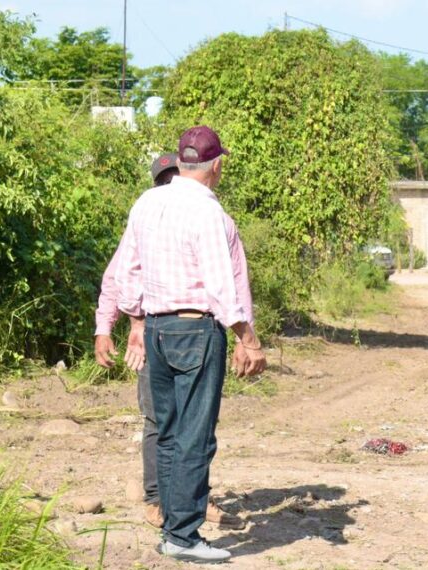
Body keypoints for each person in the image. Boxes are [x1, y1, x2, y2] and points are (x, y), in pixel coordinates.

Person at [115, 126, 266, 563]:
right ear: (217, 166)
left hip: (157, 330)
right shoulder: (208, 213)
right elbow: (221, 285)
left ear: (181, 162)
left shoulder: (147, 202)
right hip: (195, 330)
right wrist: (248, 339)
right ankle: (183, 536)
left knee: (167, 433)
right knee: (195, 437)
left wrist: (136, 319)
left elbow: (127, 269)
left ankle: (170, 527)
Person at [93, 153, 244, 532]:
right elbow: (118, 276)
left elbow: (235, 278)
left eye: (173, 178)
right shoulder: (146, 219)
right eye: (163, 180)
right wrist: (110, 327)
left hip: (187, 329)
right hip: (151, 335)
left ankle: (187, 502)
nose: (169, 186)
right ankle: (159, 500)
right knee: (161, 422)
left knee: (196, 426)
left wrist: (245, 333)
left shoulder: (212, 219)